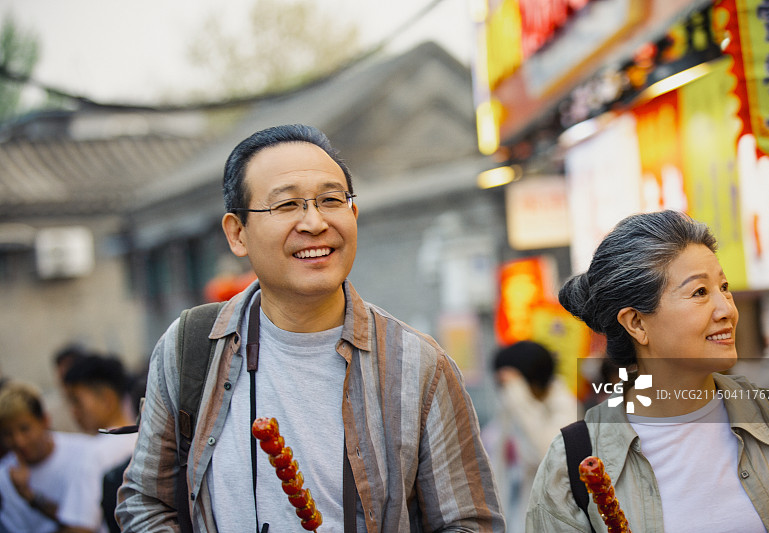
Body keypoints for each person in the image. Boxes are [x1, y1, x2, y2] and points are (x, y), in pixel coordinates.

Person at [117, 124, 505, 532]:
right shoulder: (190, 348)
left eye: (331, 200)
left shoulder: (418, 366)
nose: (315, 222)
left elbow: (470, 523)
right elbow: (145, 503)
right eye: (286, 206)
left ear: (352, 214)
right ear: (237, 233)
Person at [526, 210, 769, 532]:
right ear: (637, 324)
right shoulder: (573, 462)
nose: (727, 309)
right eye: (700, 292)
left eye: (724, 287)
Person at [482, 341, 577, 533]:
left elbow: (547, 454)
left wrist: (519, 397)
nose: (505, 390)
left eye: (509, 383)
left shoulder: (563, 405)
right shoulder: (512, 409)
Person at [0, 380, 102, 532]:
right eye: (8, 434)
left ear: (45, 421)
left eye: (25, 429)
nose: (18, 441)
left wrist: (30, 496)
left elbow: (85, 523)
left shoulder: (85, 452)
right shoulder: (4, 478)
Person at [62, 354, 138, 533]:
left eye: (76, 401)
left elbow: (80, 527)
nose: (73, 412)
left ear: (106, 399)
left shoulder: (94, 454)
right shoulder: (147, 437)